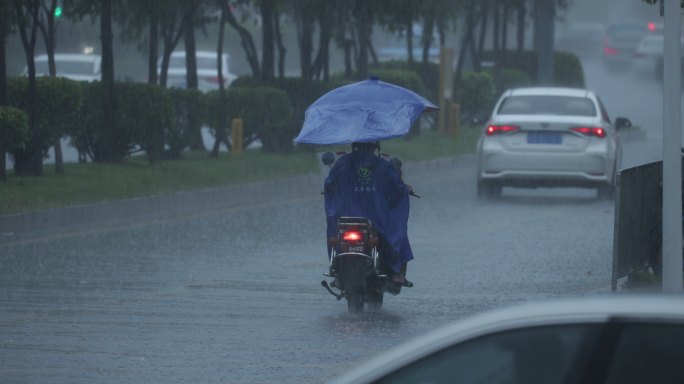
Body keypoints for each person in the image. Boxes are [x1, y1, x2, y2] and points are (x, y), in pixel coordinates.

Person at [323, 141, 413, 284]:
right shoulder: (383, 166)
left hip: (346, 214)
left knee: (334, 232)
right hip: (377, 217)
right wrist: (405, 190)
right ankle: (395, 271)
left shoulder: (342, 164)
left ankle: (336, 269)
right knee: (397, 231)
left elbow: (329, 184)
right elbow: (396, 189)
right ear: (375, 146)